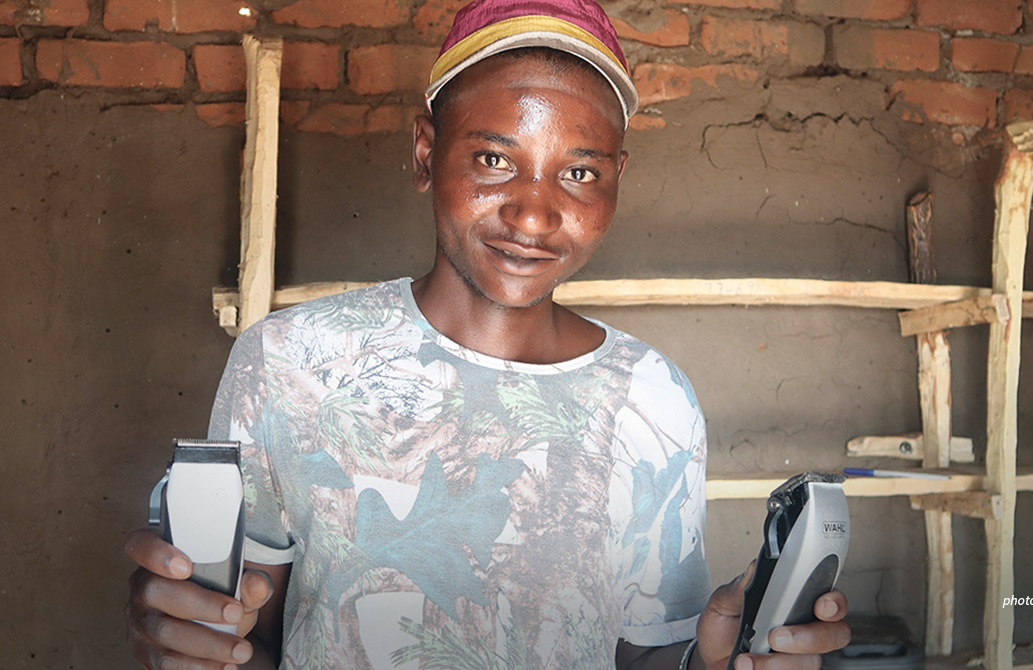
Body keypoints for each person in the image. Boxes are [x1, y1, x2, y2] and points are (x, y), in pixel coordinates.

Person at [124, 0, 851, 667]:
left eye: (580, 172)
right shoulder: (292, 360)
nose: (534, 215)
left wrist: (708, 662)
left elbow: (641, 656)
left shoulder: (652, 399)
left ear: (618, 180)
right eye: (494, 160)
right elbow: (249, 631)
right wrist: (191, 632)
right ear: (423, 153)